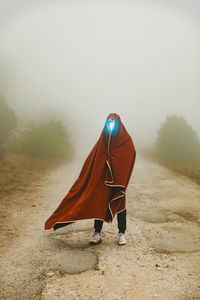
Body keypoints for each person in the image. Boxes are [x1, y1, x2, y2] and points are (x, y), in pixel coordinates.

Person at [45, 113, 136, 245]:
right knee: (99, 202)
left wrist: (116, 165)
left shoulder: (125, 140)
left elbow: (130, 154)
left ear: (119, 124)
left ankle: (122, 233)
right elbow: (93, 161)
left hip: (118, 181)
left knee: (120, 204)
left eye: (113, 124)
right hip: (102, 180)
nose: (111, 126)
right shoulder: (102, 142)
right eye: (109, 123)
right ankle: (97, 233)